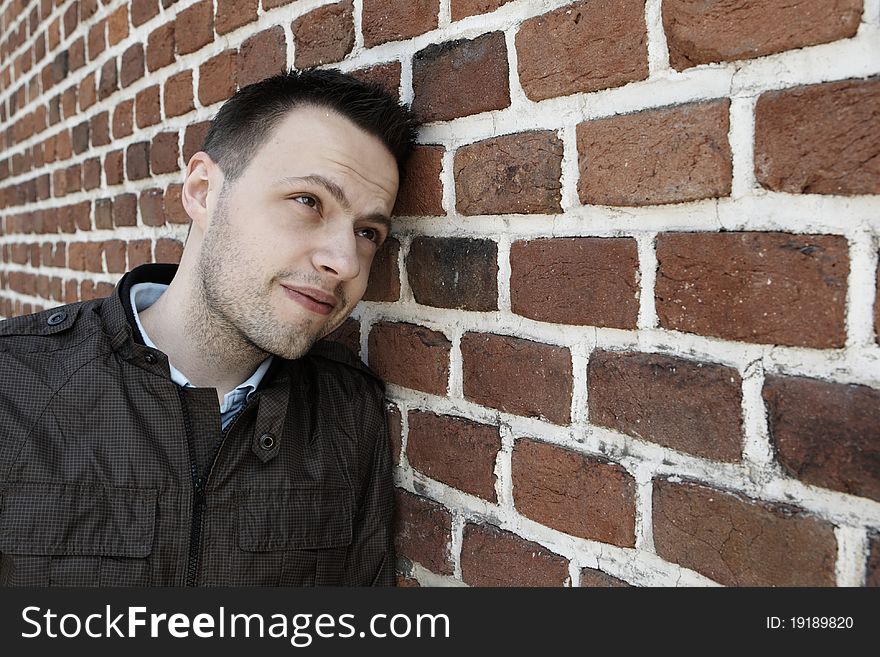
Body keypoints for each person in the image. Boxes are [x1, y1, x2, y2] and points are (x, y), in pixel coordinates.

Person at [0, 69, 418, 586]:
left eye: (367, 232)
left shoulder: (346, 413)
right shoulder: (15, 383)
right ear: (202, 191)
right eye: (309, 201)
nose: (346, 262)